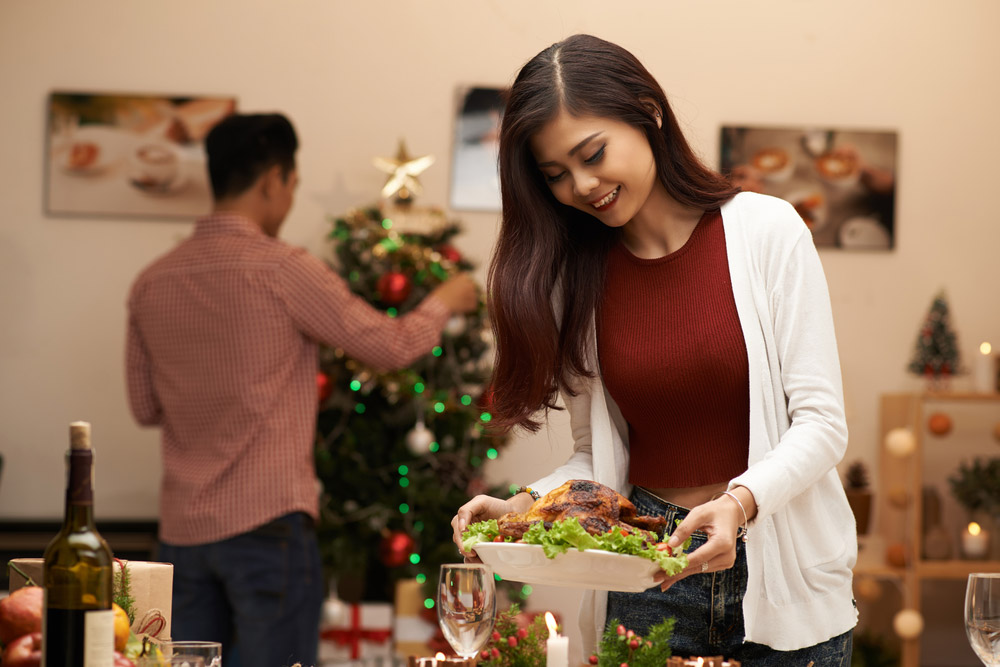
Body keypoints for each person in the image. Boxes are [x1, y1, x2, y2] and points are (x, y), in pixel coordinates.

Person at [450, 35, 857, 665]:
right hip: (646, 573)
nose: (581, 185)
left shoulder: (766, 231)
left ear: (649, 111)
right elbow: (596, 456)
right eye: (555, 174)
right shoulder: (577, 279)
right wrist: (523, 507)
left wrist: (738, 503)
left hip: (783, 576)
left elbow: (822, 424)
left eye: (592, 154)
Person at [126, 113, 479, 667]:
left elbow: (144, 407)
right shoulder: (282, 270)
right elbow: (387, 346)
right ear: (272, 179)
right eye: (291, 183)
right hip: (268, 528)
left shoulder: (152, 281)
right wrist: (445, 300)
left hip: (181, 537)